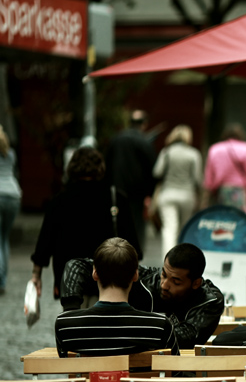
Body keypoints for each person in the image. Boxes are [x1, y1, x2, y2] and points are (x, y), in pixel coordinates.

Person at [54, 238, 191, 382]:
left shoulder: (66, 325)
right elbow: (175, 379)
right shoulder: (159, 325)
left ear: (95, 274)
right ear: (136, 275)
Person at [60, 242, 224, 350]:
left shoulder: (209, 300)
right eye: (164, 274)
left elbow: (186, 338)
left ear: (196, 283)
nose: (164, 285)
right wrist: (71, 313)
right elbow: (76, 266)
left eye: (176, 281)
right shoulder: (145, 279)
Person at [31, 147, 142, 304]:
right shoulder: (116, 198)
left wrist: (36, 276)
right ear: (100, 168)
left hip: (71, 279)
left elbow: (44, 244)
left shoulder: (60, 200)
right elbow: (133, 245)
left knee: (77, 324)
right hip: (110, 278)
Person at [105, 109, 157, 258]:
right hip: (137, 193)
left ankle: (116, 253)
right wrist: (150, 193)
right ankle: (134, 256)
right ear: (144, 124)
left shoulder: (115, 139)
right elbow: (153, 169)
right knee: (136, 225)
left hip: (115, 190)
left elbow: (106, 164)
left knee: (117, 223)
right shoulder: (144, 141)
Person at [152, 125, 203, 255]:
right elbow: (198, 178)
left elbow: (157, 172)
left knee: (169, 229)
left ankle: (168, 261)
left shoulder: (166, 152)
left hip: (168, 194)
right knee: (184, 228)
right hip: (187, 195)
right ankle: (184, 259)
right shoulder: (194, 154)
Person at [201, 123, 246, 215]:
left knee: (224, 218)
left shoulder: (215, 148)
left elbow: (208, 177)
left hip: (221, 190)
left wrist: (205, 200)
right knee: (240, 219)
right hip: (240, 191)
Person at [0, 125, 21, 295]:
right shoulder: (11, 154)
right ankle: (3, 279)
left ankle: (0, 279)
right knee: (4, 238)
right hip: (13, 195)